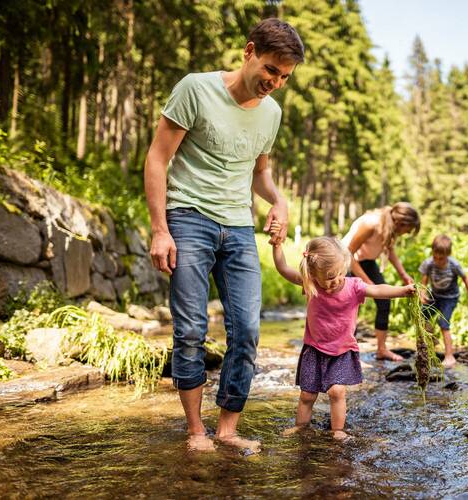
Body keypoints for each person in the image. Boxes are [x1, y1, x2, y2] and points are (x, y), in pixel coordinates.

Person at [143, 18, 304, 453]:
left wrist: (280, 202)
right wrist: (160, 229)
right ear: (249, 51)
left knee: (248, 329)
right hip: (188, 218)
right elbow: (157, 159)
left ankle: (228, 429)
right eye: (271, 70)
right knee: (192, 329)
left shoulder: (272, 113)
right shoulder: (195, 89)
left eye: (285, 77)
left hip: (237, 225)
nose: (275, 82)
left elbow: (261, 173)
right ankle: (196, 431)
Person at [270, 230, 415, 440]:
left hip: (341, 350)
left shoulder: (353, 286)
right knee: (307, 395)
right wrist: (277, 246)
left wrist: (402, 291)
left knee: (337, 391)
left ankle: (337, 430)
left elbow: (378, 290)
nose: (336, 280)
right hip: (314, 349)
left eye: (340, 273)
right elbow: (283, 269)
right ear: (313, 274)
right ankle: (301, 428)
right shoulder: (310, 284)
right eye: (329, 277)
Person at [341, 202, 421, 361]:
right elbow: (348, 253)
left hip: (367, 262)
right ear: (401, 222)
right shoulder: (371, 223)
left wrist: (403, 274)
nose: (408, 233)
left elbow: (390, 250)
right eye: (409, 229)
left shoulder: (390, 227)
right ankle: (347, 355)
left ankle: (381, 349)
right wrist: (368, 282)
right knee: (351, 307)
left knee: (384, 301)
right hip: (345, 262)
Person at [418, 234, 468, 369]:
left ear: (448, 254)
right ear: (432, 252)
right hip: (435, 295)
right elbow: (424, 279)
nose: (438, 261)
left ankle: (449, 356)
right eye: (435, 257)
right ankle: (431, 340)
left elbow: (465, 279)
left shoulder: (454, 264)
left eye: (441, 258)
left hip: (450, 298)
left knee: (443, 323)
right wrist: (422, 293)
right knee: (422, 315)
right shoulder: (429, 263)